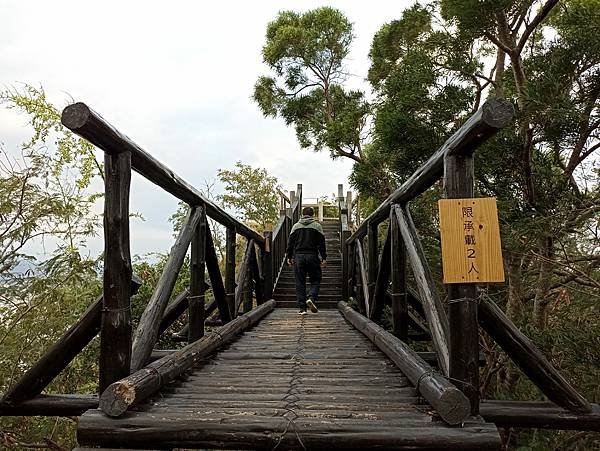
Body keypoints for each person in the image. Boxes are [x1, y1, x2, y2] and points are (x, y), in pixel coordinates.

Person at [286, 206, 327, 315]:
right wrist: (324, 258)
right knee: (316, 279)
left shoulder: (296, 226)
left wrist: (289, 257)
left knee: (300, 282)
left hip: (298, 256)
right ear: (312, 215)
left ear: (302, 214)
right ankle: (311, 298)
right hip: (312, 256)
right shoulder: (317, 226)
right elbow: (322, 244)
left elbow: (290, 244)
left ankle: (302, 309)